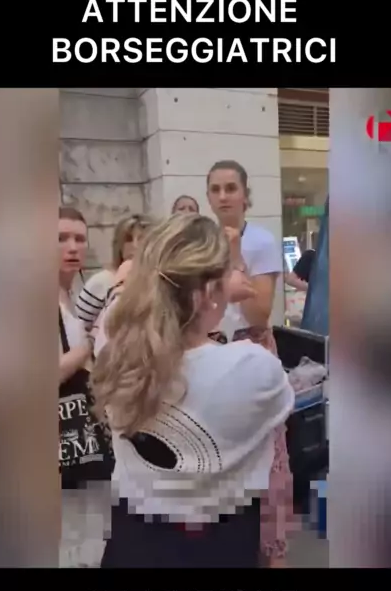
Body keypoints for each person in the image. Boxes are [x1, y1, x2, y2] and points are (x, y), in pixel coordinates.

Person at [92, 213, 294, 568]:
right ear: (211, 292)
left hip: (132, 549)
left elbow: (117, 316)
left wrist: (128, 284)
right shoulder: (254, 369)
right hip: (219, 550)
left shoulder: (116, 357)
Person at [206, 159, 295, 563]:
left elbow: (258, 314)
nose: (223, 196)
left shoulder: (260, 241)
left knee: (268, 456)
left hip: (252, 348)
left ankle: (273, 551)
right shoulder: (201, 241)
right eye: (216, 189)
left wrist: (235, 256)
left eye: (231, 188)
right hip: (210, 352)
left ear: (245, 195)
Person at [58, 206, 113, 567]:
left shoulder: (70, 294)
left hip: (81, 440)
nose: (72, 247)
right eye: (61, 238)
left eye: (79, 238)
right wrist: (85, 349)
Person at [76, 213, 151, 332]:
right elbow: (78, 329)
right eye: (128, 239)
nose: (135, 245)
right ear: (119, 245)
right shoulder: (101, 282)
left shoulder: (158, 283)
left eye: (142, 239)